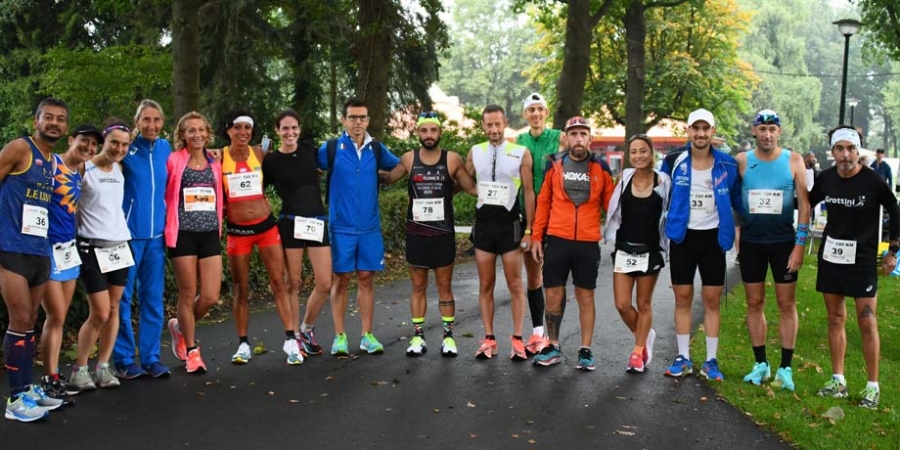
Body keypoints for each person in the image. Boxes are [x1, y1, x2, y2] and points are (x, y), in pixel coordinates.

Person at [810, 126, 900, 409]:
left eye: (851, 149)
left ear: (858, 151)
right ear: (833, 152)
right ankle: (838, 380)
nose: (846, 155)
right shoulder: (825, 179)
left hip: (862, 261)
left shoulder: (872, 180)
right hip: (831, 258)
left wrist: (893, 251)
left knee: (867, 320)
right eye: (840, 149)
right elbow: (804, 203)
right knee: (835, 318)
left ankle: (872, 386)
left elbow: (895, 209)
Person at [379, 112, 477, 357]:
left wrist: (503, 183)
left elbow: (472, 188)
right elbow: (388, 178)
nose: (429, 135)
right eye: (424, 131)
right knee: (418, 286)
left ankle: (448, 337)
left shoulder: (452, 159)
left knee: (444, 285)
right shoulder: (409, 159)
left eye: (433, 130)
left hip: (443, 233)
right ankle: (418, 336)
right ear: (418, 133)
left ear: (440, 132)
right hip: (416, 234)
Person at [660, 108, 741, 381]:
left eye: (706, 129)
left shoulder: (727, 165)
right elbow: (659, 196)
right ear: (688, 131)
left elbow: (739, 202)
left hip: (713, 238)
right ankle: (683, 357)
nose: (701, 133)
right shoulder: (673, 161)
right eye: (696, 128)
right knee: (682, 298)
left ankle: (711, 361)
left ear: (713, 132)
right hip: (683, 237)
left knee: (711, 300)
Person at [1, 98, 68, 422]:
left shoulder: (54, 161)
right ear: (36, 121)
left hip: (40, 251)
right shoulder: (19, 149)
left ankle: (26, 389)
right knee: (21, 317)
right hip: (11, 248)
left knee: (30, 324)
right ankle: (15, 401)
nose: (54, 123)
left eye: (60, 119)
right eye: (48, 118)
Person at [317, 99, 400, 356]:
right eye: (352, 117)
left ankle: (367, 335)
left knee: (366, 279)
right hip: (340, 226)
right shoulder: (330, 148)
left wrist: (388, 178)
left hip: (369, 227)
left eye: (362, 118)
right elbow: (308, 168)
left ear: (368, 120)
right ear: (343, 120)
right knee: (340, 279)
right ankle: (340, 336)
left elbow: (400, 165)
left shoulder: (376, 148)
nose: (357, 122)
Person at [529, 116, 613, 370]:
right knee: (553, 293)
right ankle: (552, 346)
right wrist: (536, 236)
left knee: (585, 296)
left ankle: (585, 351)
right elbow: (543, 202)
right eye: (573, 134)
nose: (578, 138)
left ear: (590, 138)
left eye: (583, 134)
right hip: (557, 239)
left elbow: (611, 208)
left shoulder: (601, 168)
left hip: (587, 242)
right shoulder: (554, 165)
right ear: (566, 137)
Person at [735, 110, 810, 392]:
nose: (767, 134)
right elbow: (733, 200)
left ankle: (786, 368)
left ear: (779, 132)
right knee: (754, 303)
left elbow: (804, 204)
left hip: (783, 243)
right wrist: (738, 234)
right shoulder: (742, 161)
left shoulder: (793, 160)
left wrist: (800, 245)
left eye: (772, 129)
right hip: (753, 243)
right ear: (754, 131)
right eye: (762, 128)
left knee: (786, 304)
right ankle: (761, 364)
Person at [220, 110, 301, 365]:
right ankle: (243, 344)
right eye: (237, 127)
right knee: (240, 289)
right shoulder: (218, 156)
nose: (243, 132)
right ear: (228, 130)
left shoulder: (259, 153)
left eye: (247, 128)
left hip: (266, 228)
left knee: (279, 281)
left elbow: (285, 165)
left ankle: (291, 339)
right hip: (238, 231)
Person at [70, 120, 136, 391]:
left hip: (120, 246)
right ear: (103, 143)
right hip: (91, 248)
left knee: (113, 309)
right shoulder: (85, 168)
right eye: (114, 143)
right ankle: (79, 368)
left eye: (124, 144)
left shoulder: (121, 168)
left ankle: (104, 367)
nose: (119, 148)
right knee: (98, 311)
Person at [465, 104, 534, 360]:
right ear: (483, 126)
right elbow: (463, 179)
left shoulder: (520, 153)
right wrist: (472, 190)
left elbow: (529, 192)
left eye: (498, 124)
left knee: (515, 284)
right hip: (484, 225)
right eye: (489, 125)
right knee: (486, 284)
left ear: (505, 123)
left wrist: (529, 228)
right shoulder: (475, 151)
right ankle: (489, 339)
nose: (494, 129)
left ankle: (517, 339)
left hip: (510, 226)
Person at [39, 125, 102, 400]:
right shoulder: (51, 165)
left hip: (69, 249)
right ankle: (49, 377)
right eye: (84, 142)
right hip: (46, 248)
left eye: (93, 145)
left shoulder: (81, 171)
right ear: (71, 140)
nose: (89, 148)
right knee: (56, 316)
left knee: (59, 317)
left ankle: (54, 376)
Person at [262, 110, 331, 356]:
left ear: (299, 129)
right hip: (290, 223)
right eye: (285, 129)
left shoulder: (310, 151)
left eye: (294, 128)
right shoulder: (271, 161)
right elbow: (258, 190)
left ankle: (306, 328)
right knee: (293, 282)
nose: (290, 133)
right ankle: (293, 338)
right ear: (277, 131)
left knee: (324, 282)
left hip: (315, 221)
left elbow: (325, 168)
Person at [114, 99, 171, 380]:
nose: (151, 125)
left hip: (157, 239)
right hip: (128, 236)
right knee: (122, 300)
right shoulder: (126, 150)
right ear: (137, 122)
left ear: (162, 123)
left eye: (156, 120)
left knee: (152, 299)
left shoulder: (165, 149)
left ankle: (150, 358)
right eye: (146, 120)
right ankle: (124, 359)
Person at [604, 134, 670, 374]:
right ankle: (645, 334)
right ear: (628, 155)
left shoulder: (663, 181)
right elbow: (614, 209)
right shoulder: (623, 178)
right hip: (624, 247)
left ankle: (637, 351)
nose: (639, 156)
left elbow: (669, 213)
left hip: (650, 249)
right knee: (622, 304)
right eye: (634, 152)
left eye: (643, 151)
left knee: (643, 303)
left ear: (651, 153)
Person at [164, 112, 223, 374]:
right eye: (191, 130)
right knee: (187, 293)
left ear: (207, 133)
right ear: (182, 135)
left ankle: (180, 327)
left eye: (201, 129)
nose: (197, 134)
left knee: (210, 295)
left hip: (210, 232)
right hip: (183, 234)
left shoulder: (215, 161)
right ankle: (191, 351)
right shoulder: (174, 160)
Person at [515, 93, 563, 356]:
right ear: (525, 115)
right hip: (528, 217)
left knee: (553, 278)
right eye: (530, 110)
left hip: (556, 215)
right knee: (533, 275)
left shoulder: (559, 137)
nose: (535, 114)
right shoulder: (519, 141)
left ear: (546, 113)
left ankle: (553, 338)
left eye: (539, 109)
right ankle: (537, 333)